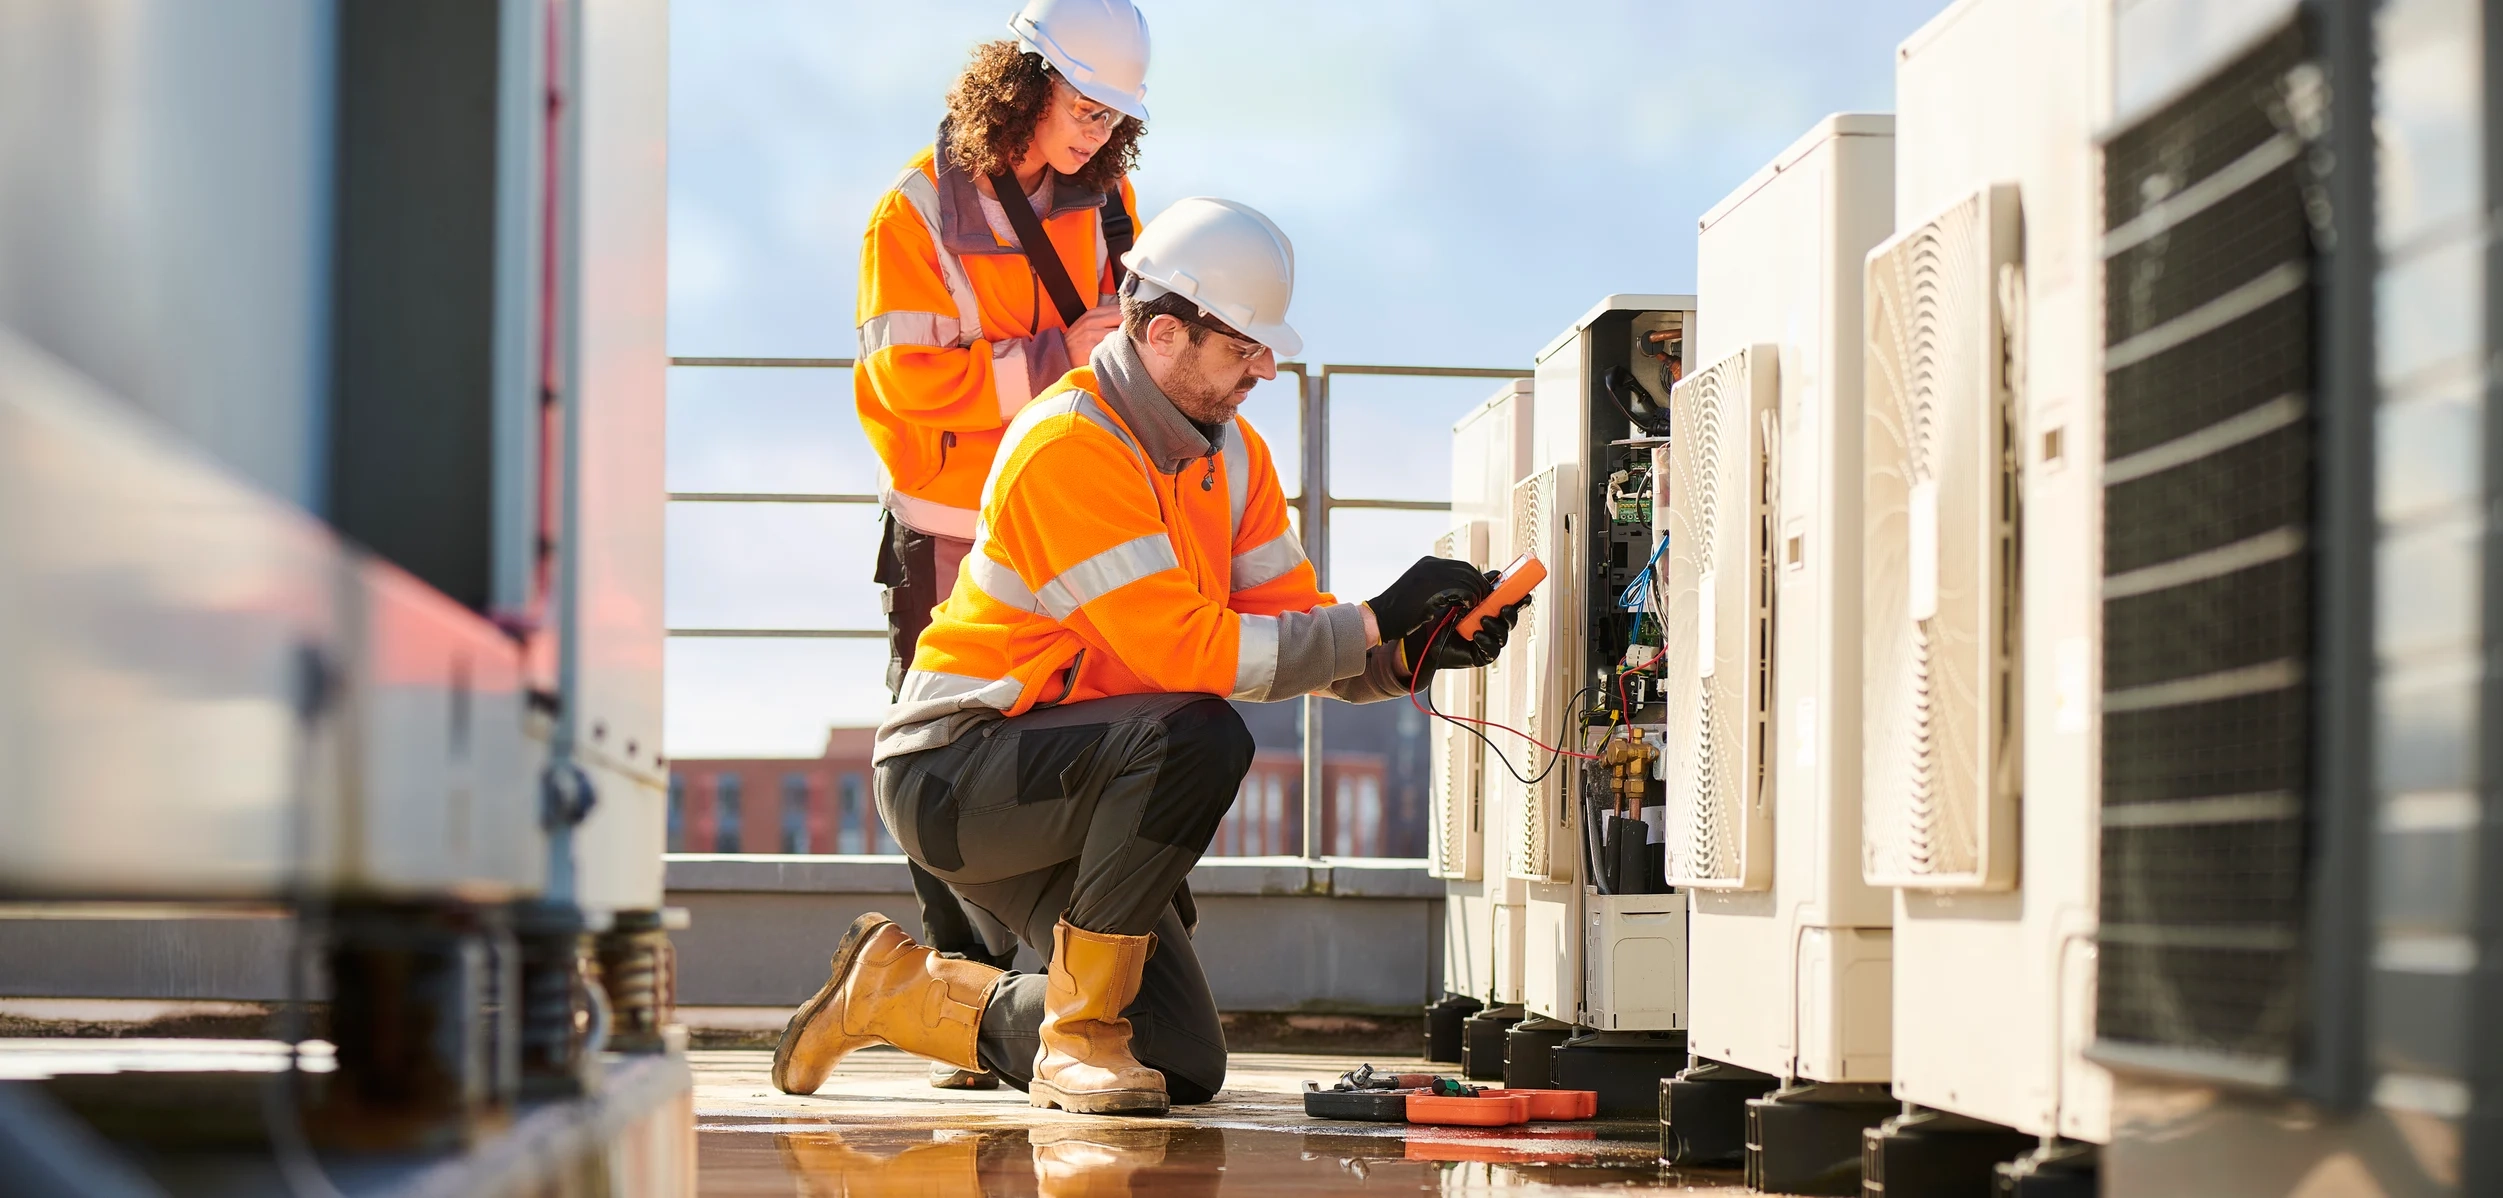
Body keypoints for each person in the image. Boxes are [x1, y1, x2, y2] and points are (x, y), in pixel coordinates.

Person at [774, 197, 1524, 1114]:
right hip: (961, 775)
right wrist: (1372, 621)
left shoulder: (1231, 454)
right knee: (1203, 734)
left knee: (1176, 1063)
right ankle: (1077, 1039)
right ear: (1164, 333)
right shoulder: (1068, 447)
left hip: (1080, 777)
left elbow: (1291, 622)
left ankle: (896, 992)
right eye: (1242, 348)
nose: (1265, 367)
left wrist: (1409, 652)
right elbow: (1186, 650)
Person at [854, 0, 1151, 1089]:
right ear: (1024, 83)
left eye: (1114, 115)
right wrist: (1054, 354)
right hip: (952, 535)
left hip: (1065, 523)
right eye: (1083, 106)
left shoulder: (1109, 197)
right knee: (941, 759)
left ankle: (1029, 1000)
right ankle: (955, 994)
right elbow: (904, 389)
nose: (1094, 132)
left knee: (1064, 742)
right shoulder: (913, 213)